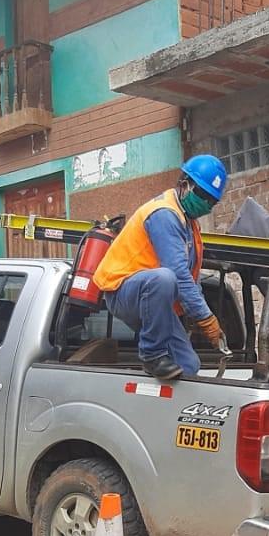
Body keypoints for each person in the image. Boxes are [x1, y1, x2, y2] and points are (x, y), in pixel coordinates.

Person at [92, 155, 229, 380]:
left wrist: (198, 315)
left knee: (188, 365)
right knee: (164, 278)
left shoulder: (188, 223)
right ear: (185, 184)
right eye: (203, 195)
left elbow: (191, 279)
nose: (206, 204)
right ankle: (152, 355)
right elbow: (178, 275)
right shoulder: (165, 214)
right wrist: (205, 318)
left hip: (149, 299)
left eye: (211, 201)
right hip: (122, 291)